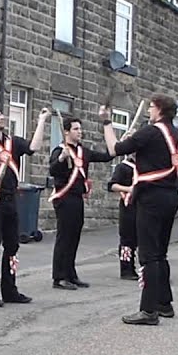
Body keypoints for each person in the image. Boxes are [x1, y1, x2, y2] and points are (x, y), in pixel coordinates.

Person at [99, 94, 178, 325]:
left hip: (151, 197)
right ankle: (164, 304)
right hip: (171, 196)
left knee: (148, 254)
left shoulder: (150, 132)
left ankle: (148, 311)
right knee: (160, 252)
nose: (148, 111)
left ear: (159, 109)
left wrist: (107, 123)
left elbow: (115, 149)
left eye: (150, 107)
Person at [0, 104, 50, 307]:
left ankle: (10, 290)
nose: (2, 117)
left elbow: (34, 147)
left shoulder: (14, 143)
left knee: (12, 246)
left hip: (12, 200)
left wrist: (41, 121)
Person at [48, 115, 115, 289]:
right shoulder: (59, 150)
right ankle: (59, 277)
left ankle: (70, 273)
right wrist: (62, 158)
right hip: (64, 197)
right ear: (67, 131)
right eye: (76, 129)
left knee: (74, 236)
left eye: (80, 128)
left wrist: (117, 142)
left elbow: (107, 156)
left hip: (77, 198)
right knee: (64, 236)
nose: (80, 132)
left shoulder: (84, 152)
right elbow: (53, 170)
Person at [106, 155, 138, 280]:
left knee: (140, 238)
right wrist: (129, 189)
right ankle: (126, 269)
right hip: (128, 207)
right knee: (127, 239)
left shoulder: (144, 166)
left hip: (142, 206)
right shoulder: (123, 167)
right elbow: (112, 185)